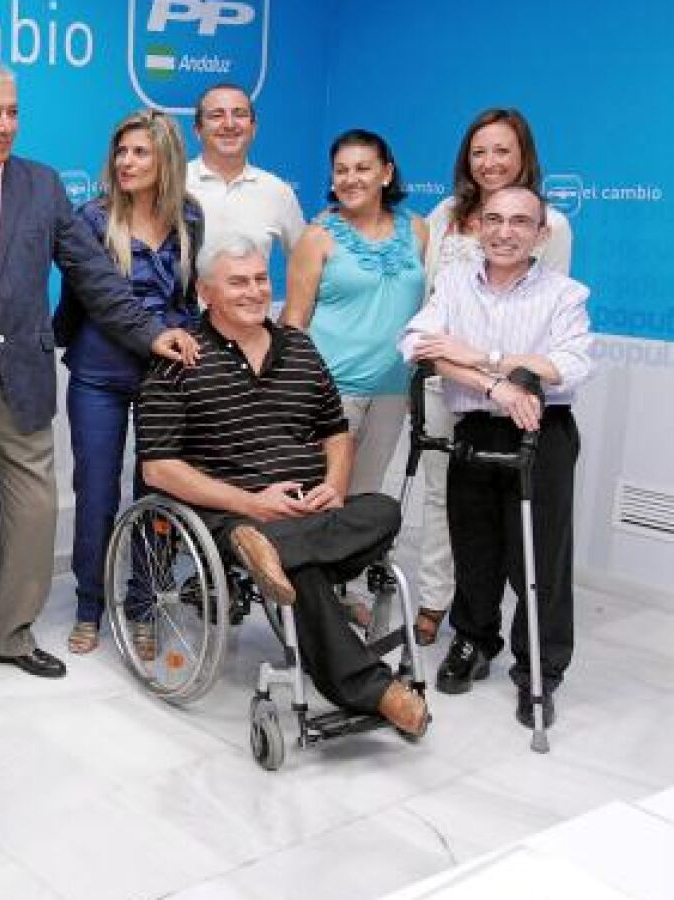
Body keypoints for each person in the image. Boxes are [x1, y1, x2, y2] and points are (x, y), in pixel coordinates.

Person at [0, 63, 196, 688]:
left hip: (25, 378)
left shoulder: (42, 184)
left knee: (34, 517)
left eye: (13, 112)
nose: (7, 125)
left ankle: (11, 633)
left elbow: (92, 272)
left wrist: (148, 331)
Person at [138, 233, 430, 736]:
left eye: (260, 279)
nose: (254, 291)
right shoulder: (178, 358)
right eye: (238, 282)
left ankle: (272, 549)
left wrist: (334, 486)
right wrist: (252, 504)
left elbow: (335, 433)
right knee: (307, 571)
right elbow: (158, 469)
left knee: (383, 508)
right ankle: (374, 690)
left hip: (307, 507)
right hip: (230, 512)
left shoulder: (299, 347)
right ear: (205, 292)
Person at [402, 185, 591, 728]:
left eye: (519, 222)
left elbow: (568, 365)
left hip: (541, 431)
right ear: (478, 226)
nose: (505, 232)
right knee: (474, 546)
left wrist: (481, 356)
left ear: (541, 233)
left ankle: (539, 669)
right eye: (494, 220)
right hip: (476, 424)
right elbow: (418, 345)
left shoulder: (564, 294)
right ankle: (474, 639)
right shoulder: (455, 283)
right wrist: (497, 386)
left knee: (539, 559)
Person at [413, 108, 573, 646]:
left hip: (511, 392)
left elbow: (546, 313)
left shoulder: (551, 224)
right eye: (479, 152)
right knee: (444, 498)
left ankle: (506, 629)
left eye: (502, 150)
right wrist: (444, 364)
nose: (489, 162)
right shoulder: (445, 213)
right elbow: (429, 304)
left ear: (524, 156)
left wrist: (496, 370)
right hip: (445, 379)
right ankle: (438, 601)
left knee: (506, 517)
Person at [51, 109, 203, 657]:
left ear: (167, 160)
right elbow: (98, 300)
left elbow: (184, 296)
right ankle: (89, 605)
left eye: (140, 152)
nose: (126, 162)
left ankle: (146, 604)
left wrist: (191, 340)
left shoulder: (190, 215)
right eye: (121, 151)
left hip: (165, 374)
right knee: (96, 492)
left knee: (159, 490)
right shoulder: (92, 218)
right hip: (99, 371)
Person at [282, 129, 427, 496]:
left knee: (364, 498)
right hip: (330, 392)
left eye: (362, 168)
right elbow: (294, 322)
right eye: (341, 170)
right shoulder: (317, 236)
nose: (350, 179)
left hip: (392, 391)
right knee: (319, 496)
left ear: (387, 173)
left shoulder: (417, 229)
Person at [188, 83, 305, 261]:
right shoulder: (174, 183)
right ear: (198, 130)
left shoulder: (277, 191)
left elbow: (305, 263)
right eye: (217, 115)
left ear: (253, 128)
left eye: (239, 114)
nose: (229, 124)